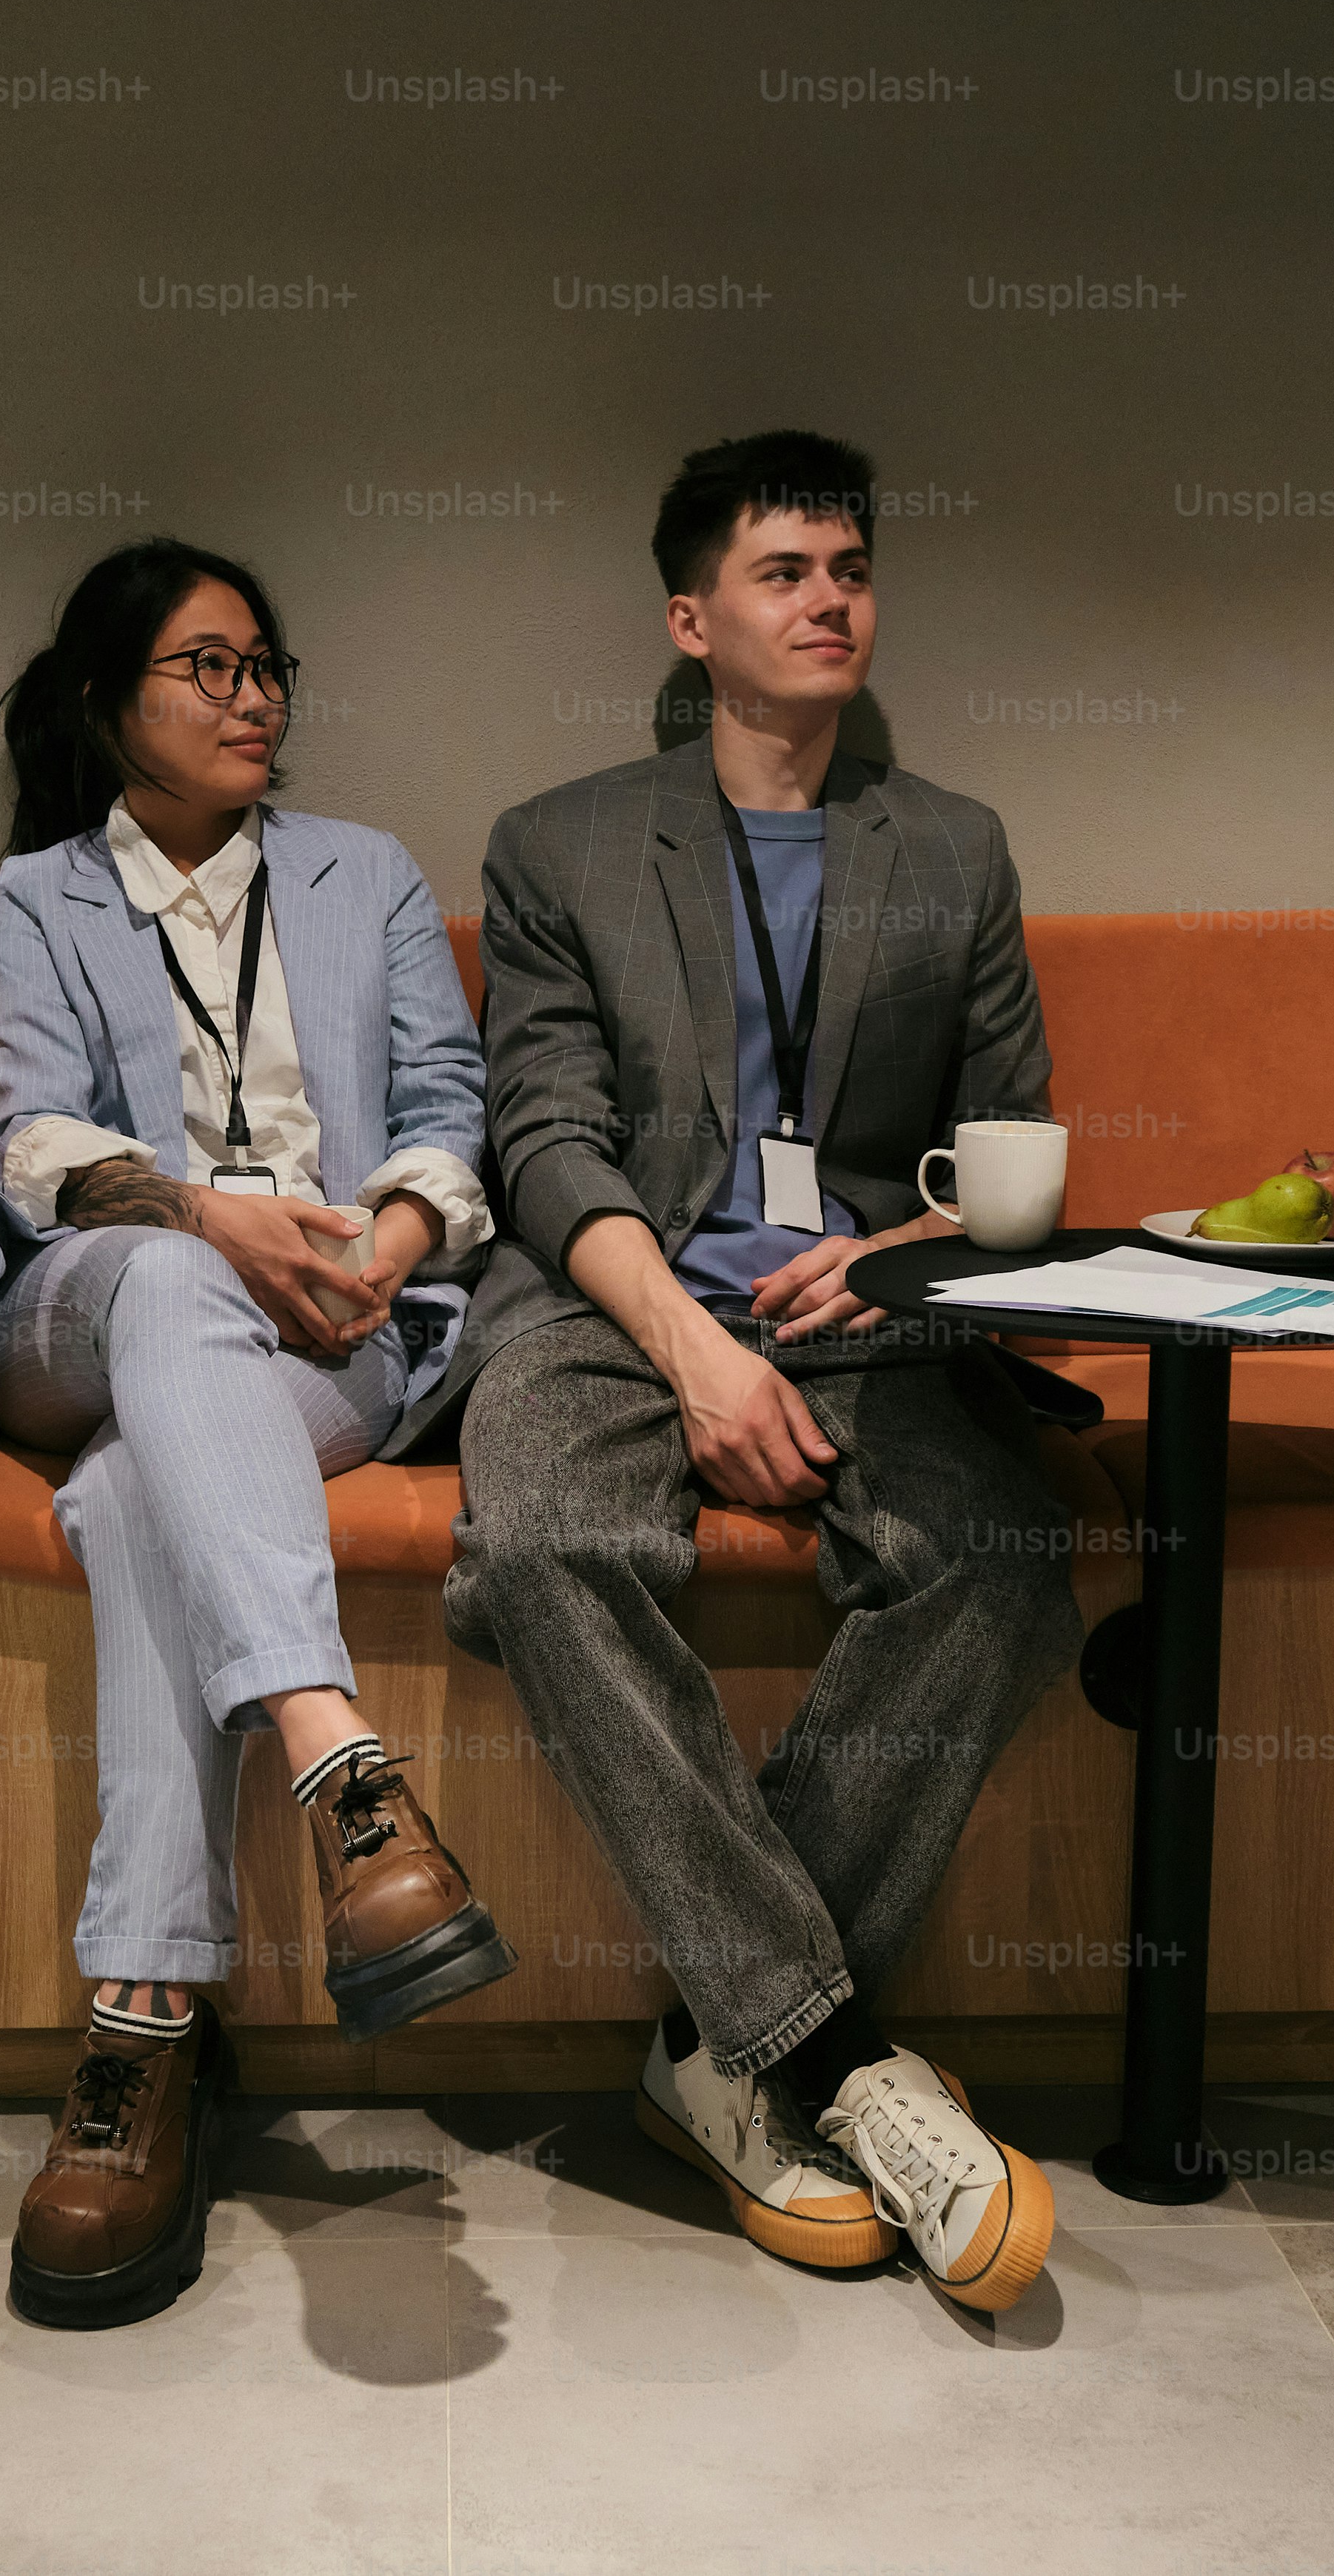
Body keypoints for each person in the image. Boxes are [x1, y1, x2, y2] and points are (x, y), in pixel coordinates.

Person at [431, 430, 1077, 2315]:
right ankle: (831, 2054)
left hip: (862, 1318)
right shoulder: (559, 843)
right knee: (546, 1543)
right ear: (691, 617)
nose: (829, 599)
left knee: (1003, 1553)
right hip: (608, 1307)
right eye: (784, 569)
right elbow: (541, 1141)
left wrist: (886, 1257)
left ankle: (729, 2058)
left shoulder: (949, 849)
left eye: (850, 566)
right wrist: (692, 1348)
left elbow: (1012, 1142)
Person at [0, 538, 508, 2327]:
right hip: (90, 1304)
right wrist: (212, 1219)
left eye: (267, 664)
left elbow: (447, 1108)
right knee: (169, 1287)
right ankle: (344, 1763)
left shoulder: (363, 877)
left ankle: (141, 2035)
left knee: (132, 1504)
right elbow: (33, 1143)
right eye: (206, 666)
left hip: (339, 1327)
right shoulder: (47, 891)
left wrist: (389, 1242)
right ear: (113, 700)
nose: (253, 694)